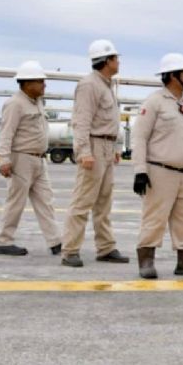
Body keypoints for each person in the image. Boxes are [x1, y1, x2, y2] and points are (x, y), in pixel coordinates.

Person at [131, 53, 183, 279]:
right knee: (154, 218)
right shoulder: (155, 102)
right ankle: (146, 260)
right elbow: (139, 138)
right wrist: (140, 171)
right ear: (173, 76)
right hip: (160, 171)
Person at [61, 39, 129, 267]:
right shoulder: (89, 85)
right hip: (94, 146)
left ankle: (106, 247)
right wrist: (84, 152)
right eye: (116, 58)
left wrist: (117, 147)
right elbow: (81, 121)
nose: (119, 61)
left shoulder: (107, 85)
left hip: (107, 147)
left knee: (104, 202)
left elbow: (112, 121)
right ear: (106, 61)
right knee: (83, 200)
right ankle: (70, 250)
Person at [0, 61, 61, 256]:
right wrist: (4, 160)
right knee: (16, 201)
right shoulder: (14, 104)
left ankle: (55, 241)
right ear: (26, 83)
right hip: (21, 159)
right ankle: (4, 241)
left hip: (39, 160)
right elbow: (6, 134)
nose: (44, 85)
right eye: (40, 81)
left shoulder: (38, 102)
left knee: (46, 201)